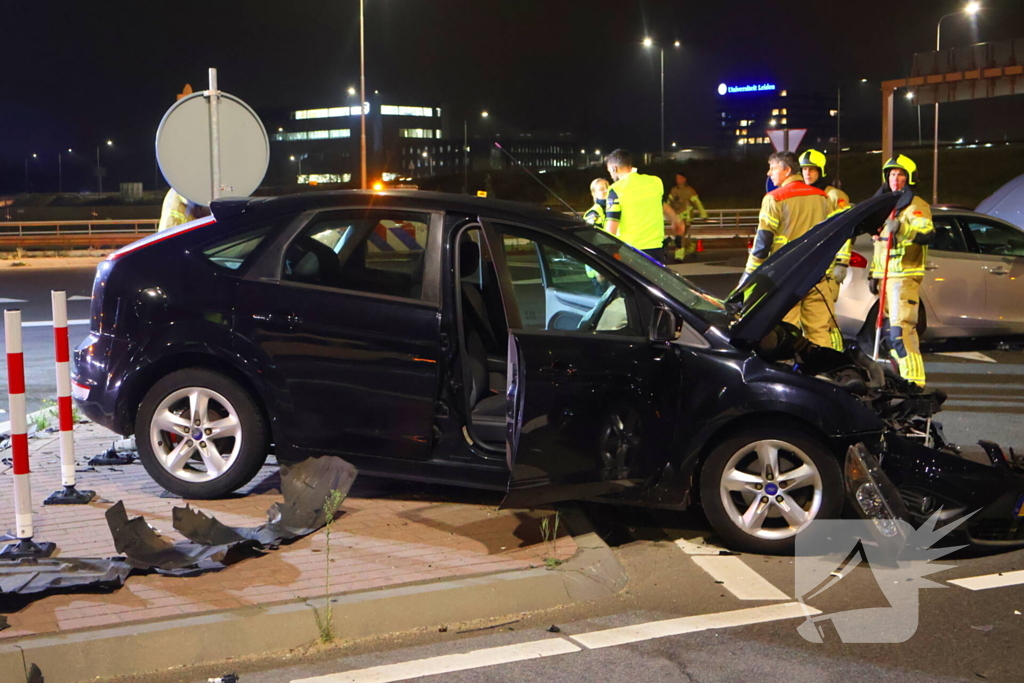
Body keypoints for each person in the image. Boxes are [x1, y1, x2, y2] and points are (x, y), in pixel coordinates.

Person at [741, 151, 835, 348]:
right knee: (818, 331)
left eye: (773, 168)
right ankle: (822, 373)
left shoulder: (774, 198)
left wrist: (750, 274)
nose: (769, 173)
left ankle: (789, 374)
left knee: (785, 330)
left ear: (787, 170)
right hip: (817, 276)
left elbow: (763, 242)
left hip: (786, 278)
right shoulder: (823, 197)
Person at [870, 155, 934, 387]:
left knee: (901, 333)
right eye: (891, 174)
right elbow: (880, 245)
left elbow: (927, 235)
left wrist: (903, 228)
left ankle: (915, 383)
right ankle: (902, 379)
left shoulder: (916, 205)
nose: (895, 179)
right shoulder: (886, 206)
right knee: (889, 332)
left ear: (909, 178)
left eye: (900, 174)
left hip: (904, 277)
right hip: (887, 279)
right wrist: (873, 274)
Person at [799, 149, 851, 350]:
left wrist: (842, 262)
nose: (808, 174)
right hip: (809, 269)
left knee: (826, 321)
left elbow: (846, 230)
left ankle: (836, 355)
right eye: (804, 170)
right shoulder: (805, 195)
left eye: (812, 170)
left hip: (828, 270)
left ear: (821, 171)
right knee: (812, 322)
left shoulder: (834, 196)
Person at [604, 149, 670, 262]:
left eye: (610, 171)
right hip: (657, 249)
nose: (610, 175)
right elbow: (663, 207)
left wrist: (606, 253)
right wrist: (676, 221)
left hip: (630, 251)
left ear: (615, 168)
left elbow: (611, 227)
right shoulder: (656, 182)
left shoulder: (616, 190)